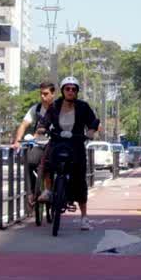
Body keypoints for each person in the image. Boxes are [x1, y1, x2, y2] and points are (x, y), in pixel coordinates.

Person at [35, 76, 100, 231]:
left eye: (73, 89)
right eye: (67, 89)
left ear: (77, 91)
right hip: (57, 142)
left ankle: (84, 217)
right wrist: (42, 128)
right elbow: (45, 121)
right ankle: (48, 190)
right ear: (63, 90)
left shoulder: (83, 107)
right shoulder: (54, 106)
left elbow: (93, 121)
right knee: (48, 162)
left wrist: (91, 131)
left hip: (76, 144)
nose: (70, 91)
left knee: (80, 178)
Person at [11, 81, 56, 207]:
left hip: (55, 144)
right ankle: (31, 193)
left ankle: (51, 190)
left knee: (51, 165)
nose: (42, 97)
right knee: (29, 161)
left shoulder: (59, 108)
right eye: (41, 94)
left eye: (46, 94)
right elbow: (24, 124)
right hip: (39, 143)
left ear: (53, 94)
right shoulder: (35, 109)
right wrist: (17, 141)